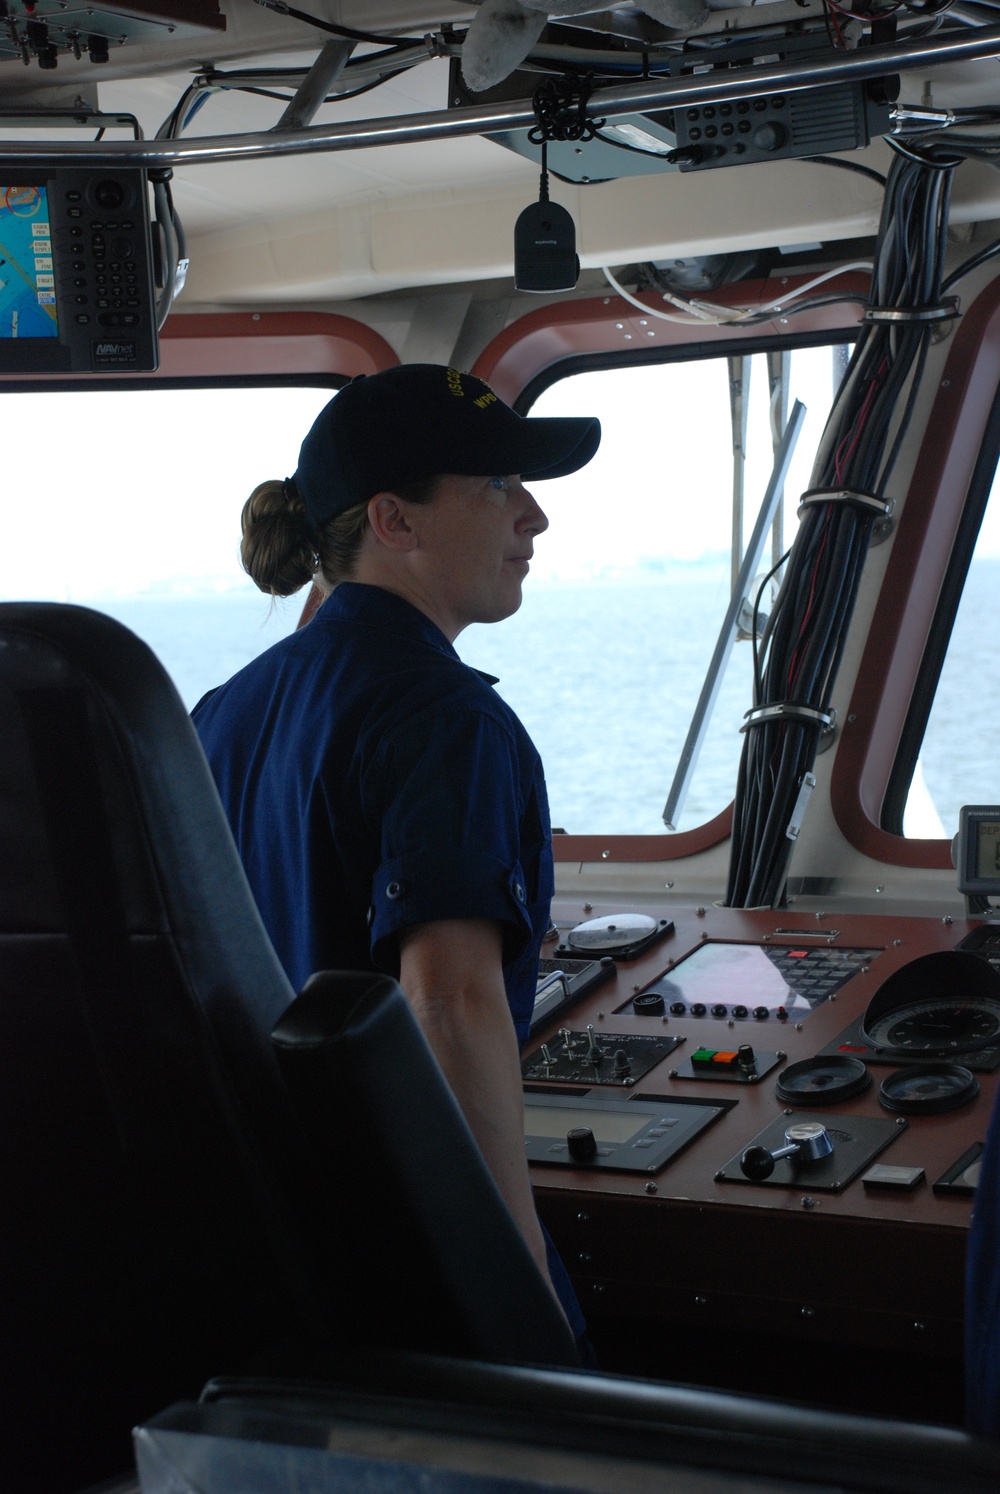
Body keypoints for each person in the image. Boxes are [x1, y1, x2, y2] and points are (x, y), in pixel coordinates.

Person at [193, 362, 601, 1342]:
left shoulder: (221, 713)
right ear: (394, 521)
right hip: (412, 1259)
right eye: (497, 485)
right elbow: (449, 1008)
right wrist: (516, 1285)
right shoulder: (446, 720)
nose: (532, 517)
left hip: (275, 1261)